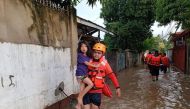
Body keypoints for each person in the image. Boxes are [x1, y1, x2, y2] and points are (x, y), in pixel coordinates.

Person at [83, 42, 121, 109]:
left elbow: (112, 75)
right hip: (86, 90)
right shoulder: (88, 61)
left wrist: (117, 87)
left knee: (95, 107)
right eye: (95, 52)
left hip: (97, 91)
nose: (96, 54)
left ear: (102, 54)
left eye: (99, 53)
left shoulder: (105, 64)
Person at [75, 41, 101, 109]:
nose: (83, 48)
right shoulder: (80, 55)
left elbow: (95, 58)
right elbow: (87, 63)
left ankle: (78, 105)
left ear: (87, 48)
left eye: (85, 46)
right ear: (79, 48)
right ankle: (79, 97)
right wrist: (95, 66)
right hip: (80, 74)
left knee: (81, 89)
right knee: (91, 84)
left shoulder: (88, 56)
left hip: (84, 74)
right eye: (82, 46)